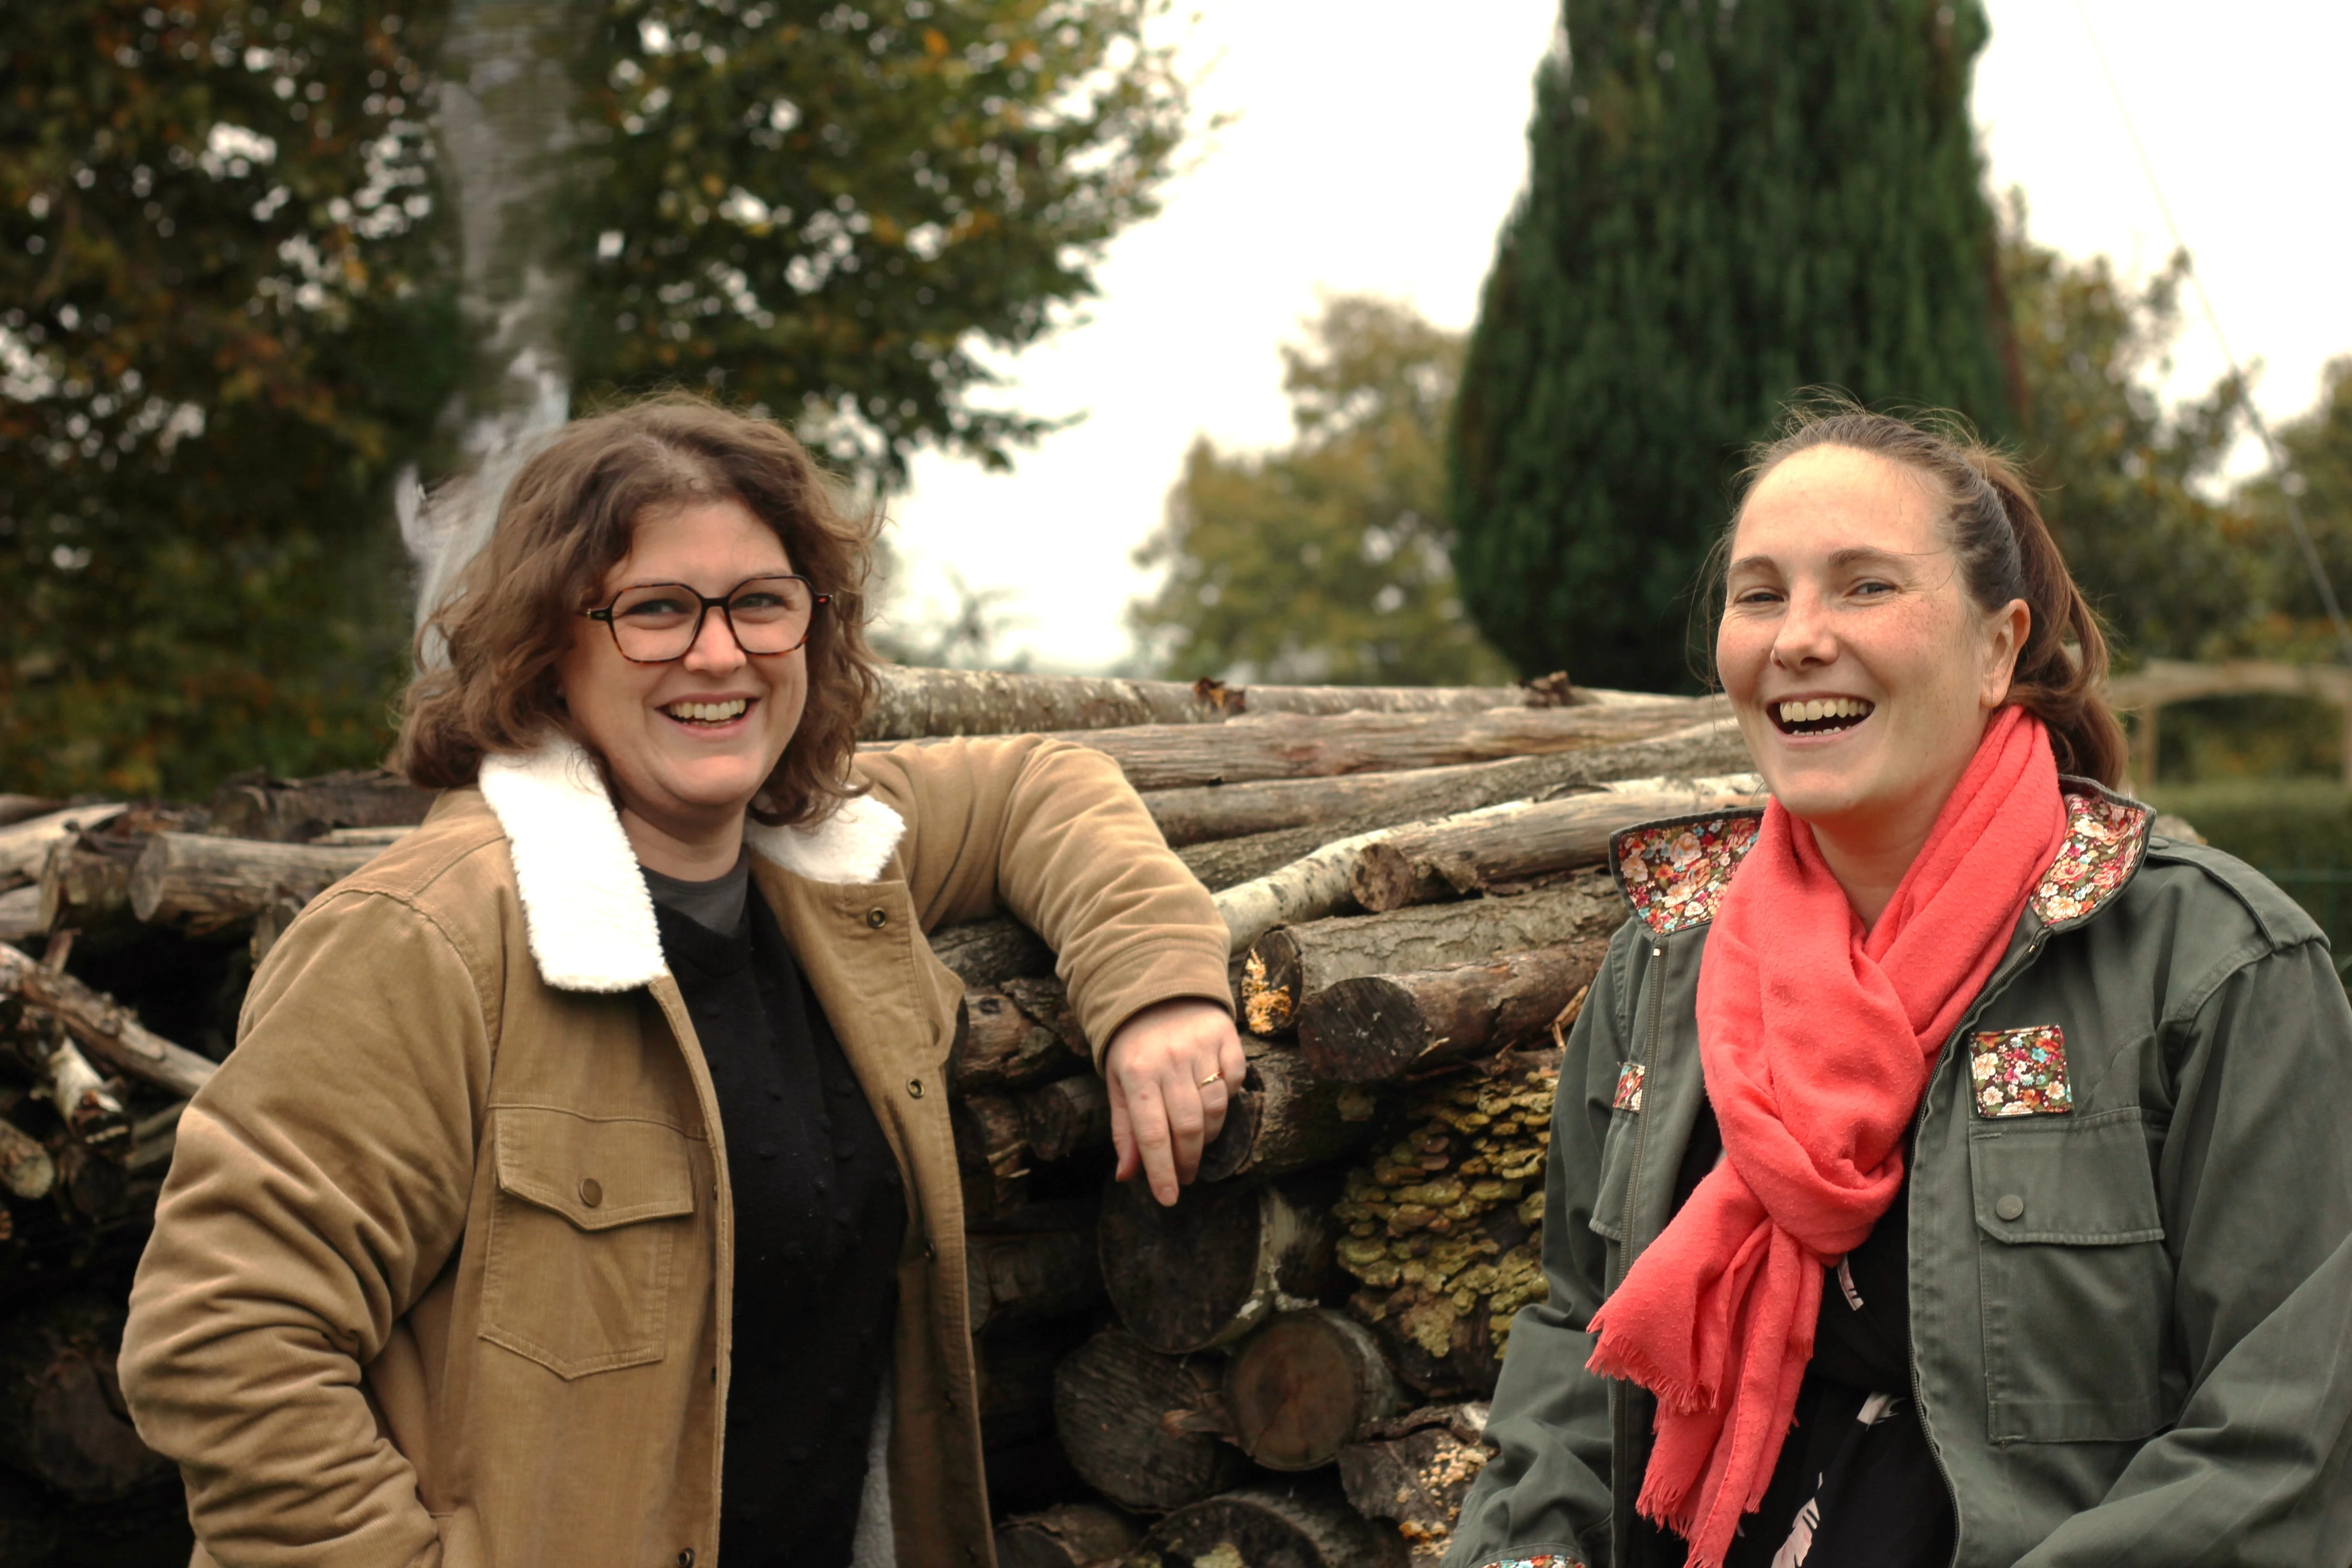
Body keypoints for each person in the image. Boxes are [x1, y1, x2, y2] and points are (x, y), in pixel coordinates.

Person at [118, 396, 1247, 1568]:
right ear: (551, 647)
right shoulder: (428, 942)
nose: (721, 653)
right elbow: (222, 1333)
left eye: (762, 603)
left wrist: (1159, 993)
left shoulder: (830, 860)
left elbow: (1042, 788)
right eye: (656, 611)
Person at [1445, 405, 2352, 1568]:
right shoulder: (1667, 964)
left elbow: (2283, 1445)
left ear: (1997, 647)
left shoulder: (2216, 970)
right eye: (1760, 594)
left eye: (1866, 587)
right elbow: (1580, 1340)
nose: (1799, 639)